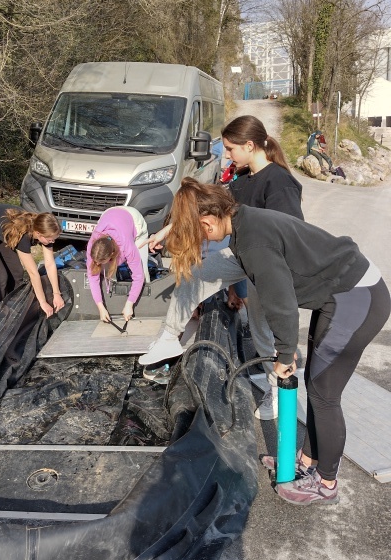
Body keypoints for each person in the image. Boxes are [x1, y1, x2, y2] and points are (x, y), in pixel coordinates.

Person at [165, 178, 389, 505]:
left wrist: (285, 352)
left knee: (325, 394)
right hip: (341, 295)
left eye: (198, 235)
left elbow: (280, 302)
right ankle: (308, 462)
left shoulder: (254, 241)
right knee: (317, 384)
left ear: (207, 222)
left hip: (356, 297)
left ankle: (326, 484)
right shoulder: (242, 221)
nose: (202, 243)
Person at [139, 115, 304, 420]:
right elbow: (208, 207)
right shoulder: (243, 179)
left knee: (262, 329)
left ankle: (277, 388)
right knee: (196, 274)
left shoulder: (279, 183)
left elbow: (291, 234)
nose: (226, 154)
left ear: (250, 145)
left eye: (230, 148)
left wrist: (266, 285)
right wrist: (165, 231)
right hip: (242, 253)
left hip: (269, 263)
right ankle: (167, 338)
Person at [0, 204, 65, 315]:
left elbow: (50, 264)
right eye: (50, 240)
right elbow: (33, 273)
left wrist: (57, 294)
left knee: (16, 273)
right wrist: (43, 302)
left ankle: (15, 308)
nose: (52, 242)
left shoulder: (44, 231)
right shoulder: (23, 237)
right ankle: (0, 314)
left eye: (54, 239)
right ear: (38, 233)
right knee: (0, 276)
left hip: (2, 233)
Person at [87, 206, 150, 323]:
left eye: (100, 262)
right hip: (108, 213)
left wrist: (129, 304)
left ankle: (134, 306)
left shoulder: (127, 246)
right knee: (103, 273)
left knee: (143, 272)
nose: (97, 264)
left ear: (111, 254)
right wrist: (100, 308)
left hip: (133, 219)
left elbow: (138, 276)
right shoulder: (93, 245)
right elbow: (92, 277)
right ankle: (112, 303)